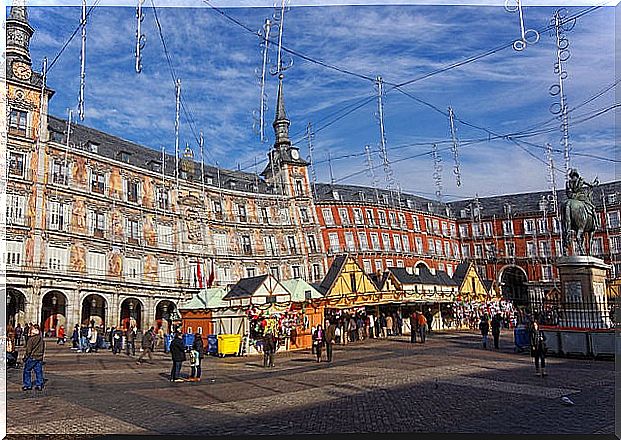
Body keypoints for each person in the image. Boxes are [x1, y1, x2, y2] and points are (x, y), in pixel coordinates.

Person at [22, 325, 45, 391]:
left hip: (32, 357)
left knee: (27, 370)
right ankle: (39, 385)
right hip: (39, 357)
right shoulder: (41, 339)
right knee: (38, 371)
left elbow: (28, 350)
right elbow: (43, 348)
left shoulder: (31, 339)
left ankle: (27, 385)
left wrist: (25, 357)